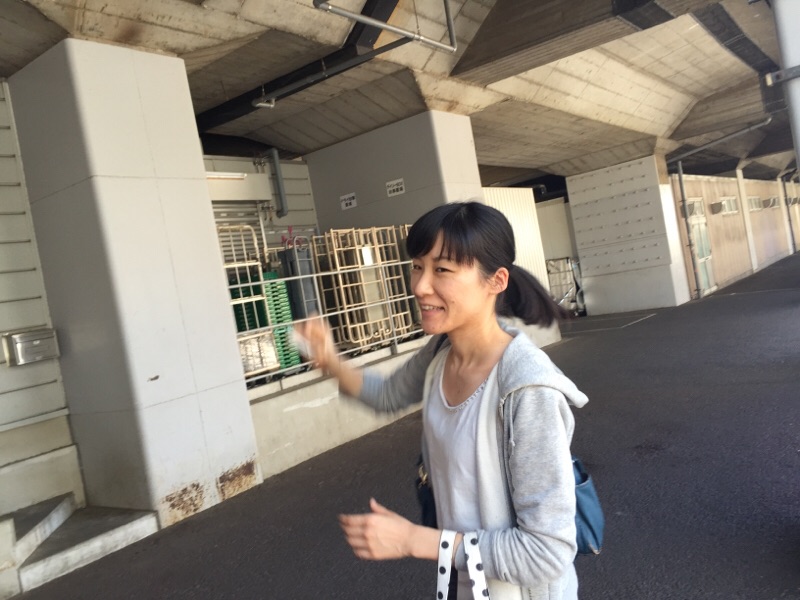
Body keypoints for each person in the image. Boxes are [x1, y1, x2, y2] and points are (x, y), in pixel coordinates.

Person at [297, 201, 589, 600]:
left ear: (496, 281)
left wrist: (413, 540)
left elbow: (545, 553)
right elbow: (387, 395)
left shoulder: (527, 390)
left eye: (442, 270)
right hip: (461, 578)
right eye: (417, 266)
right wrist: (330, 360)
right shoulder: (441, 353)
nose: (419, 286)